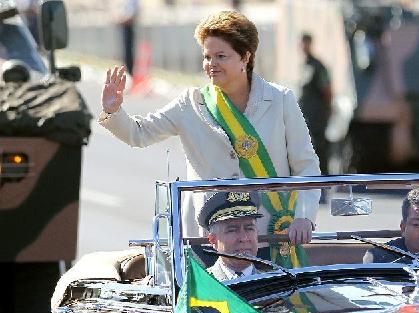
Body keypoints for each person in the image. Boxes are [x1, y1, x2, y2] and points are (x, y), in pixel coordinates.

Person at [99, 11, 320, 266]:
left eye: (221, 56)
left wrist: (304, 216)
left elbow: (306, 165)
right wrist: (113, 111)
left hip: (266, 234)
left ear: (245, 57)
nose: (211, 64)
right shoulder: (191, 104)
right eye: (207, 56)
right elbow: (138, 133)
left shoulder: (280, 100)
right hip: (207, 239)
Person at [198, 191, 265, 281]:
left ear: (257, 233)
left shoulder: (277, 284)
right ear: (213, 240)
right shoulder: (200, 286)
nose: (244, 238)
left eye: (249, 228)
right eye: (232, 230)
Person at [298, 32, 332, 175]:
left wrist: (326, 110)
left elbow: (327, 89)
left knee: (319, 145)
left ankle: (323, 175)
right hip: (308, 113)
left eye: (306, 43)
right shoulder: (305, 64)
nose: (303, 46)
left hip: (317, 113)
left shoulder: (317, 65)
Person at [115, 0, 139, 76]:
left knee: (129, 52)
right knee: (125, 52)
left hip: (129, 27)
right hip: (125, 26)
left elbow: (132, 14)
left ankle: (130, 72)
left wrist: (123, 20)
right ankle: (128, 71)